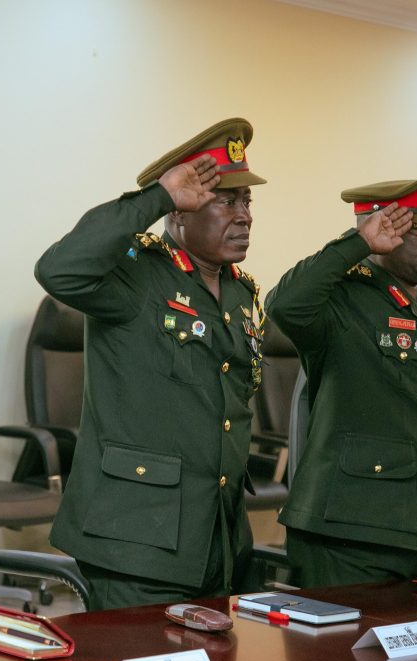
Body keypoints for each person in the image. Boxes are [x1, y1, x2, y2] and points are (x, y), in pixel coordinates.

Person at [36, 118, 267, 610]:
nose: (244, 215)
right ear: (181, 211)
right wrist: (155, 198)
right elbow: (58, 269)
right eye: (226, 201)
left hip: (218, 538)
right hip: (136, 539)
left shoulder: (241, 294)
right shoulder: (135, 276)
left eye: (247, 202)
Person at [266, 171, 417, 588]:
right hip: (351, 533)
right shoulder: (343, 297)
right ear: (382, 231)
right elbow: (284, 304)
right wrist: (355, 243)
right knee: (337, 654)